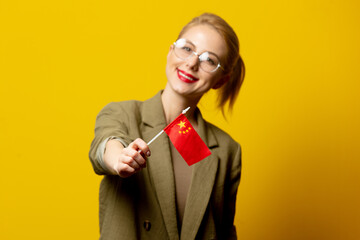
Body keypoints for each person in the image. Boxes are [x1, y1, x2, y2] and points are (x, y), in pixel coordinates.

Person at [89, 13, 245, 240]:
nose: (192, 63)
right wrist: (119, 158)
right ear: (170, 50)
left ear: (221, 80)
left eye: (209, 60)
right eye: (187, 48)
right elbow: (106, 145)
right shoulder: (122, 113)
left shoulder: (227, 149)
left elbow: (224, 231)